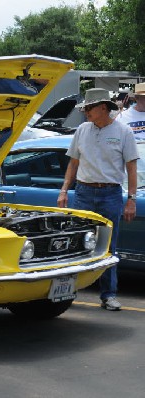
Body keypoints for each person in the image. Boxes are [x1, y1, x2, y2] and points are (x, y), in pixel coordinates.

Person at [57, 88, 139, 311]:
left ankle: (109, 295)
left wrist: (130, 199)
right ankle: (66, 292)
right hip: (83, 192)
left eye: (89, 108)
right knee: (77, 243)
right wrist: (64, 190)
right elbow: (73, 164)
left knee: (108, 247)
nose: (85, 112)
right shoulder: (82, 130)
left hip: (110, 194)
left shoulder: (123, 132)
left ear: (103, 108)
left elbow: (132, 168)